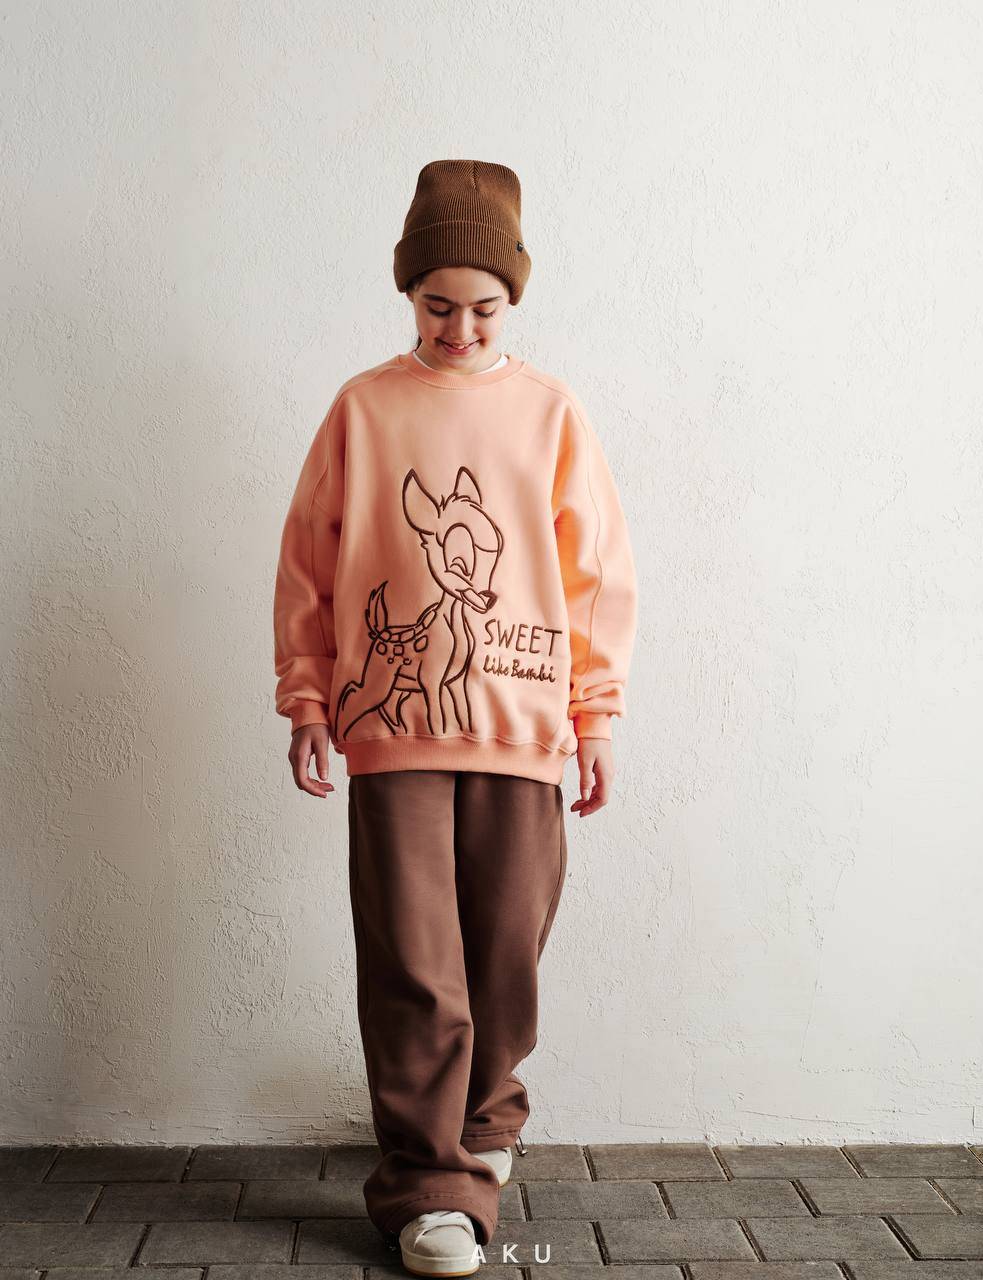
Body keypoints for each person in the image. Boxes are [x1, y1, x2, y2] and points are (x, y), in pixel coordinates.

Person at [272, 159, 638, 1277]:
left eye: (484, 307)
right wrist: (306, 698)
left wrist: (596, 715)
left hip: (525, 727)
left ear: (512, 297)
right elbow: (309, 565)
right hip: (393, 731)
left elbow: (595, 576)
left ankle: (483, 1118)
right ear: (408, 290)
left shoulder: (551, 413)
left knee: (506, 952)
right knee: (413, 960)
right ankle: (430, 1185)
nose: (461, 328)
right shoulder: (364, 408)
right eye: (438, 305)